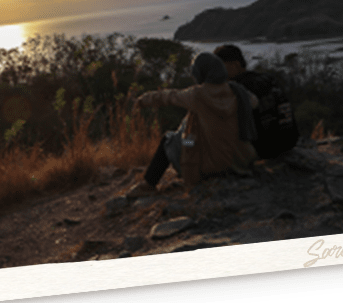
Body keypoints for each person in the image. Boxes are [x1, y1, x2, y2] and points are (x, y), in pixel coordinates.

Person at [126, 52, 258, 196]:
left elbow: (168, 96)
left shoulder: (197, 95)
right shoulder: (238, 92)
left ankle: (148, 185)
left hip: (213, 164)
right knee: (195, 125)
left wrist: (142, 100)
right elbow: (255, 102)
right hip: (241, 161)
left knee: (169, 140)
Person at [213, 44, 300, 159]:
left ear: (235, 65)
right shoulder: (269, 79)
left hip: (262, 148)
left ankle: (187, 148)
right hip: (289, 141)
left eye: (220, 68)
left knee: (192, 140)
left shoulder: (235, 88)